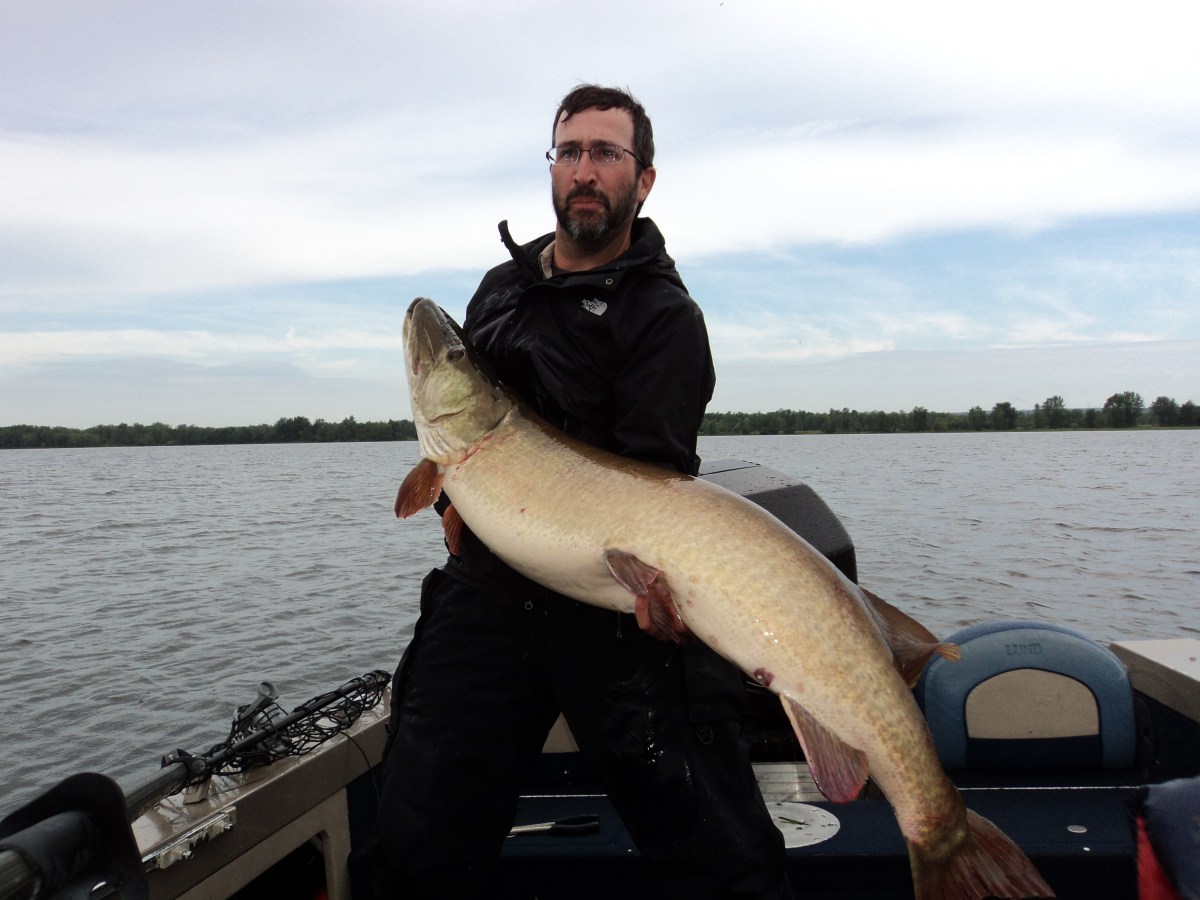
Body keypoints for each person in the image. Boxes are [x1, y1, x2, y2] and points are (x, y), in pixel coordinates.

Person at [371, 84, 791, 899]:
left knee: (717, 858)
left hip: (610, 614)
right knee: (414, 846)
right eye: (569, 152)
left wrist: (657, 585)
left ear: (644, 178)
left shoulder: (663, 316)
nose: (585, 171)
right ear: (553, 168)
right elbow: (467, 443)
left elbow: (654, 477)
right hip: (489, 598)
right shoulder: (500, 290)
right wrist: (454, 503)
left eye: (606, 153)